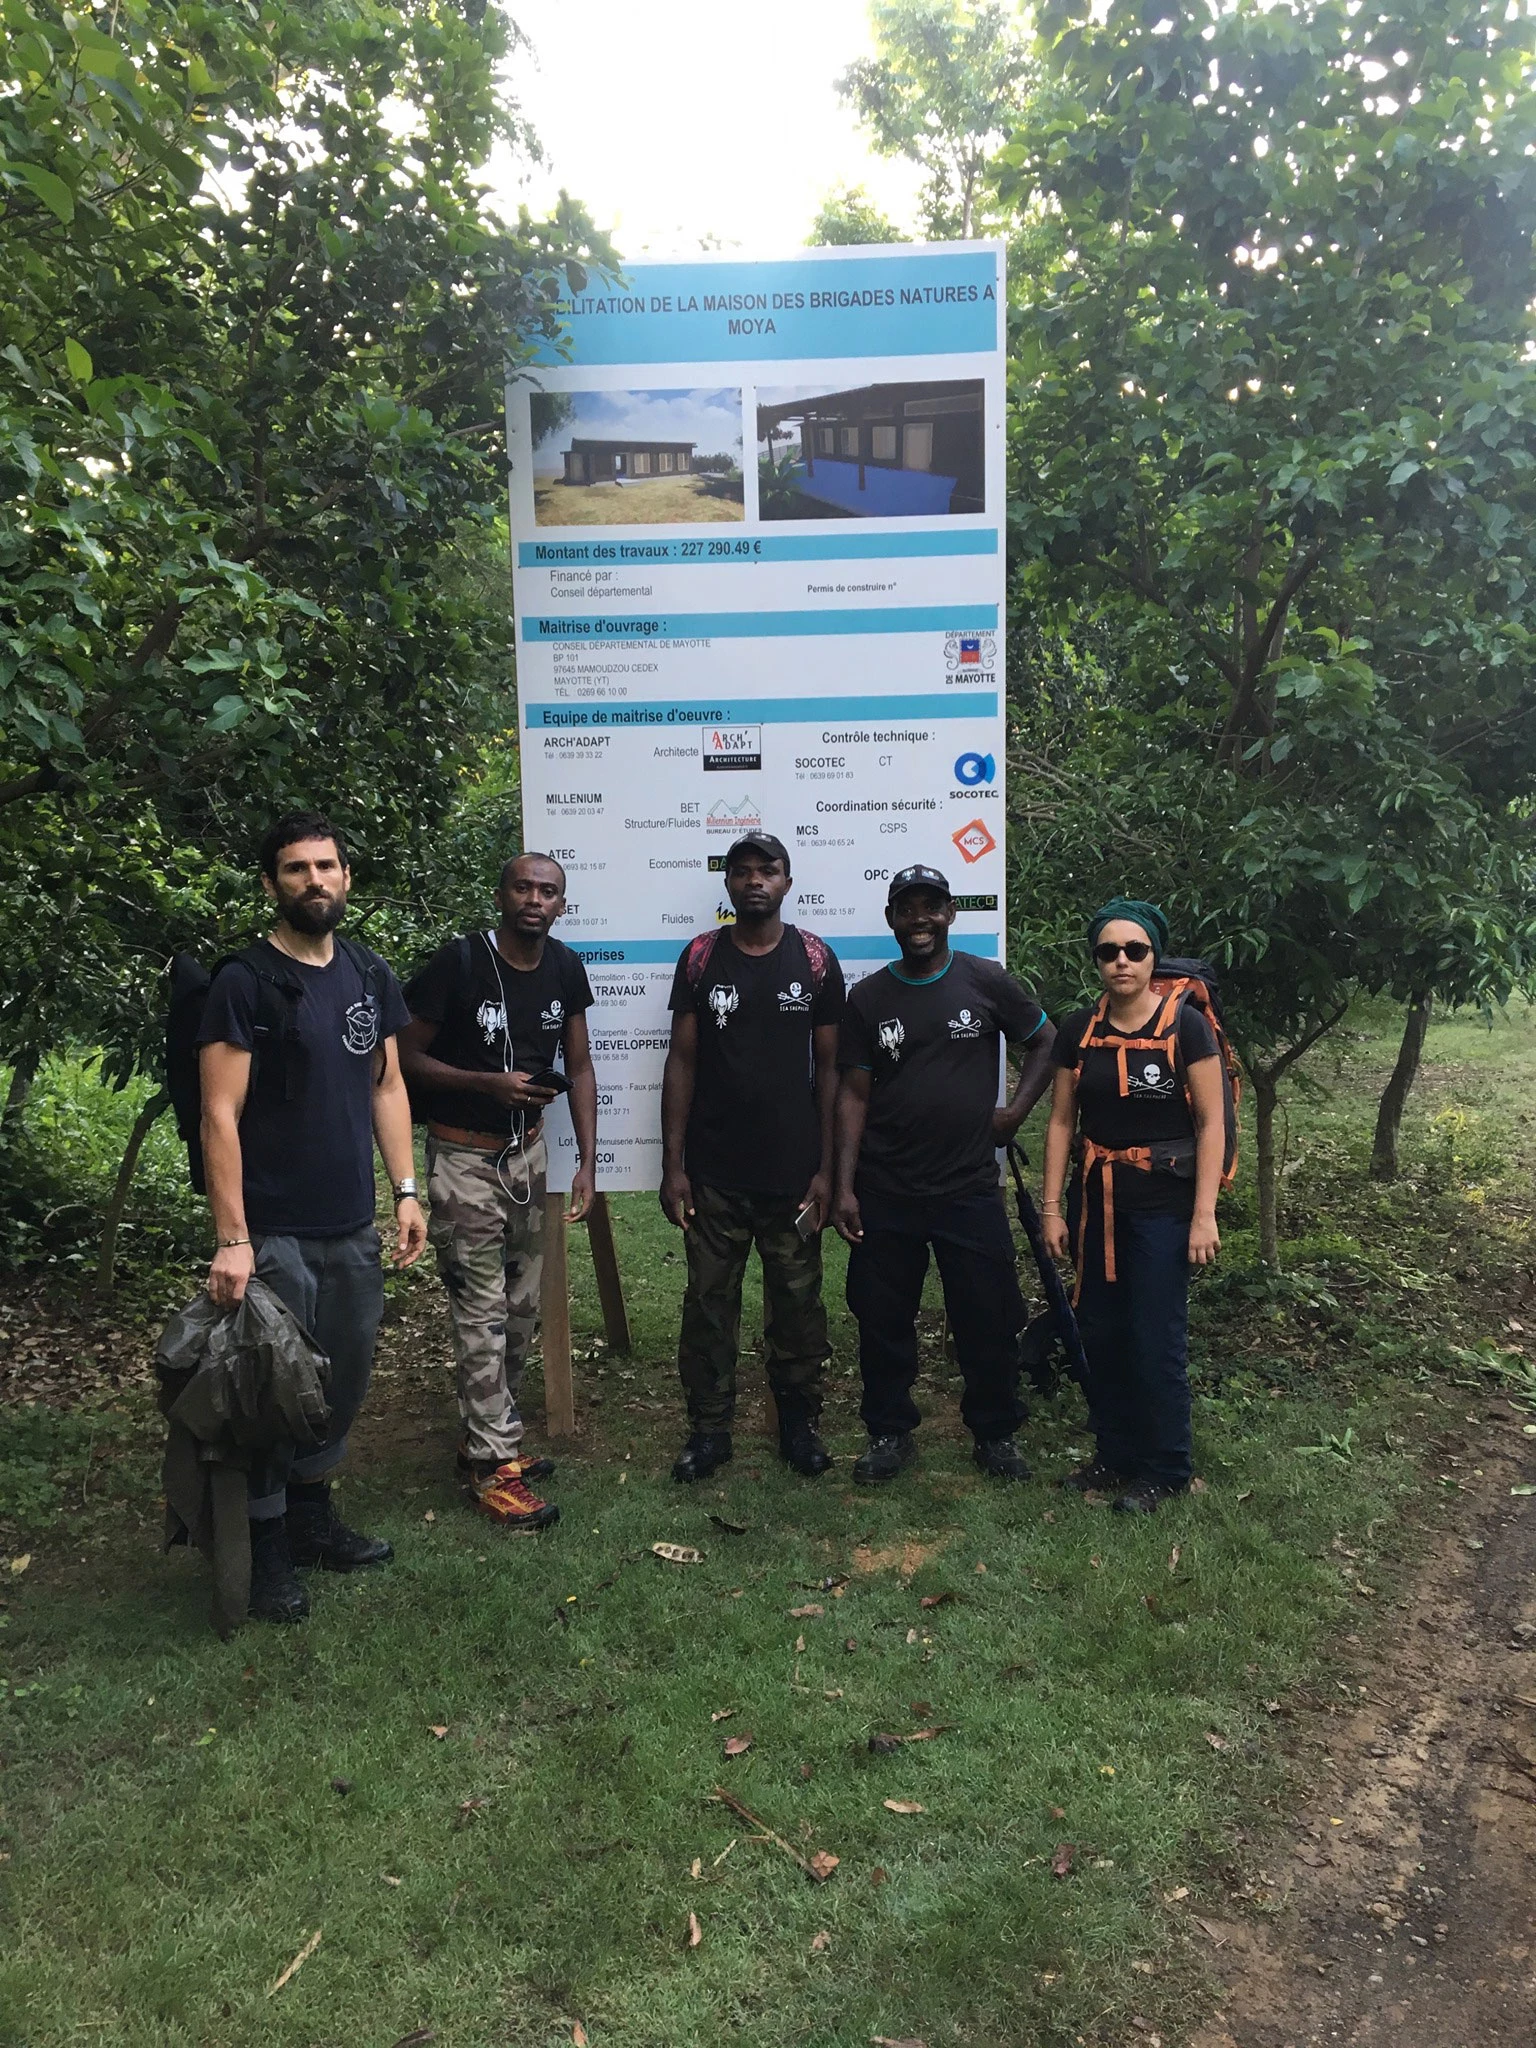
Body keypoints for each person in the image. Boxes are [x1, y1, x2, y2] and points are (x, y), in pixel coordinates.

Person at [199, 810, 426, 1624]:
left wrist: (405, 1189)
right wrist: (233, 1239)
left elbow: (387, 1085)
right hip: (273, 1232)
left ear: (346, 877)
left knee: (341, 1380)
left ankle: (310, 1518)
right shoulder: (245, 982)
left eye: (326, 866)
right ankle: (264, 1549)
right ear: (272, 884)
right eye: (296, 869)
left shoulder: (367, 973)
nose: (315, 880)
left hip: (352, 1224)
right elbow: (218, 1114)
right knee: (273, 1391)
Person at [832, 865, 1056, 1483]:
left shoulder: (985, 980)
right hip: (887, 1187)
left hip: (968, 1188)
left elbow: (1046, 1041)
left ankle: (996, 1433)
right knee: (882, 1319)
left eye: (931, 907)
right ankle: (888, 1432)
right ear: (891, 919)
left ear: (950, 914)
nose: (920, 919)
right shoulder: (868, 998)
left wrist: (1015, 1112)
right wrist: (845, 1186)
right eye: (907, 909)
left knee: (988, 1317)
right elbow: (852, 1095)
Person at [399, 854, 597, 1531]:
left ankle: (488, 1437)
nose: (534, 899)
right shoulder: (458, 964)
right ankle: (492, 1465)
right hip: (463, 1156)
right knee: (480, 1311)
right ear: (501, 895)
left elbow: (580, 1064)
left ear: (561, 905)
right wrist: (486, 1084)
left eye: (548, 891)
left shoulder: (564, 967)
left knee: (518, 1311)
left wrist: (587, 1161)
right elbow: (402, 1058)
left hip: (527, 1158)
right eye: (523, 887)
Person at [660, 830, 845, 1481]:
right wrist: (673, 1166)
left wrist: (827, 1170)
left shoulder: (815, 958)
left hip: (794, 1174)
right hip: (714, 1172)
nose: (755, 880)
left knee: (797, 1307)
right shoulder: (701, 957)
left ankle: (798, 1426)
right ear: (729, 883)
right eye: (742, 871)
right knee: (709, 1307)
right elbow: (682, 1062)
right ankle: (709, 1431)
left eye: (767, 870)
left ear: (787, 881)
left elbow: (831, 1071)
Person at [1040, 898, 1224, 1515]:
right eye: (1109, 951)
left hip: (1163, 1208)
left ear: (1153, 957)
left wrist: (1204, 1215)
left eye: (1135, 950)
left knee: (1155, 1335)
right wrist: (1051, 1208)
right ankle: (1114, 1453)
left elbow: (1211, 1124)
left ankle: (1166, 1467)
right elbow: (1061, 1121)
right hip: (1095, 1205)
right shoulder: (1079, 1030)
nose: (1121, 961)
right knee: (1101, 1329)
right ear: (1096, 960)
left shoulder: (1184, 1027)